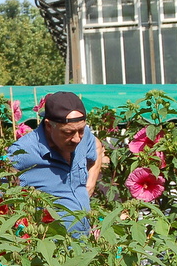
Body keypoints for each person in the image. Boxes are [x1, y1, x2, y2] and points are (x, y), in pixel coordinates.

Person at [7, 91, 104, 234]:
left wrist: (90, 184)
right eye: (68, 132)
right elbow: (2, 196)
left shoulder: (84, 136)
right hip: (49, 244)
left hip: (84, 242)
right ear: (49, 126)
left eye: (81, 130)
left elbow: (97, 145)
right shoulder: (23, 152)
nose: (77, 139)